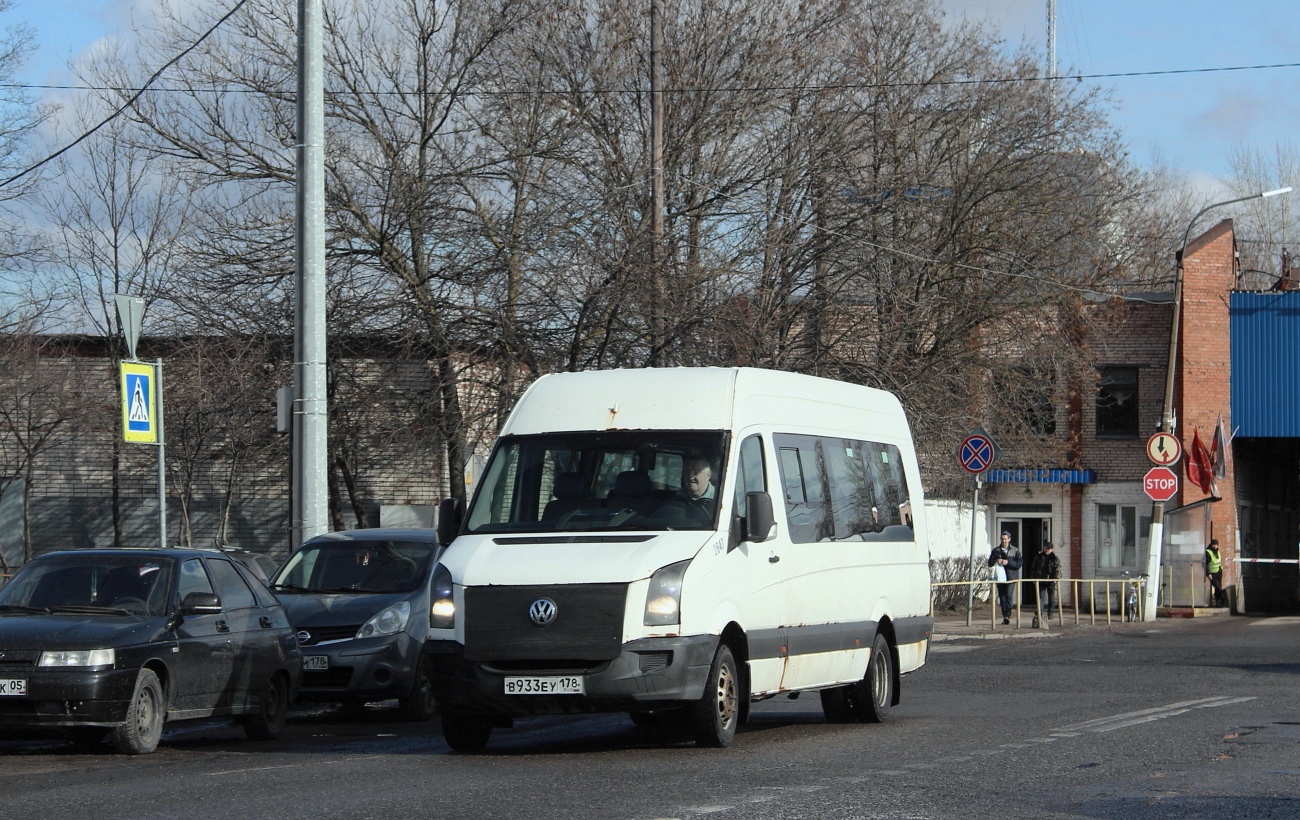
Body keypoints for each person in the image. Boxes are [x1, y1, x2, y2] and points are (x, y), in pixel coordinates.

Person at [655, 456, 717, 525]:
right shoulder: (672, 501)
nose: (691, 477)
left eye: (696, 472)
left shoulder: (722, 499)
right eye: (687, 472)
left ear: (708, 475)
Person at [987, 531, 1023, 625]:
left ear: (1009, 539)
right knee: (1002, 597)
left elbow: (1019, 563)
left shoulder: (1015, 550)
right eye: (1002, 539)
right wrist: (996, 560)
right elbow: (990, 563)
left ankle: (1008, 614)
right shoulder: (996, 550)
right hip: (999, 577)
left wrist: (1008, 562)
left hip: (1011, 577)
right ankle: (1005, 616)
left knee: (1008, 596)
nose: (1004, 541)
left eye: (1005, 539)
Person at [1031, 541, 1062, 627]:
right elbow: (1034, 567)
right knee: (1040, 597)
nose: (1047, 550)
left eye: (1048, 549)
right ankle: (1040, 612)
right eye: (1045, 548)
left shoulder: (1054, 558)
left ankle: (1050, 613)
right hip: (1041, 580)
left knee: (1051, 598)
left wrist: (1056, 578)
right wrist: (1033, 577)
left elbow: (1058, 569)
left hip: (1051, 581)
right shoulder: (1039, 557)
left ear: (1052, 549)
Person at [1204, 538, 1227, 607]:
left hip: (1218, 571)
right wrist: (1208, 573)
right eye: (1214, 545)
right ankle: (1223, 598)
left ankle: (1218, 603)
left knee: (1218, 587)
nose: (1215, 546)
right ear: (1211, 545)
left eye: (1216, 545)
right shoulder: (1208, 552)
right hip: (1212, 573)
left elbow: (1218, 561)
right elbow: (1205, 563)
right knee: (1217, 587)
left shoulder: (1217, 551)